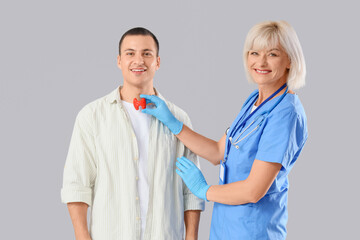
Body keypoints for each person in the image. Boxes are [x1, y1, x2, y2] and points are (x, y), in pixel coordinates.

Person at [141, 21, 308, 239]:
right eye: (254, 53)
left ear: (290, 60)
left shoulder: (285, 113)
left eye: (273, 54)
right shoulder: (254, 101)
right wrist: (173, 123)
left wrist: (204, 191)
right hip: (225, 228)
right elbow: (218, 152)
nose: (261, 62)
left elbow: (254, 190)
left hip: (254, 231)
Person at [61, 27, 204, 240]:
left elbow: (191, 190)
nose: (139, 60)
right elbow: (77, 184)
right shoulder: (92, 116)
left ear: (157, 62)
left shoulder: (178, 119)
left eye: (147, 53)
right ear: (119, 61)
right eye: (130, 53)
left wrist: (191, 237)